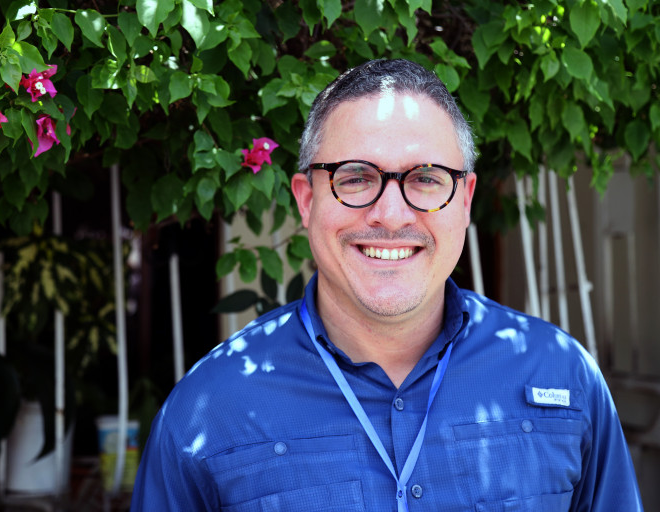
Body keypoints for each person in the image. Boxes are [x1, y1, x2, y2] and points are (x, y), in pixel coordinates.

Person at [130, 59, 643, 511]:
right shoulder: (207, 410)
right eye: (355, 177)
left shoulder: (563, 375)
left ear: (465, 200)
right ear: (306, 200)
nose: (392, 215)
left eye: (426, 178)